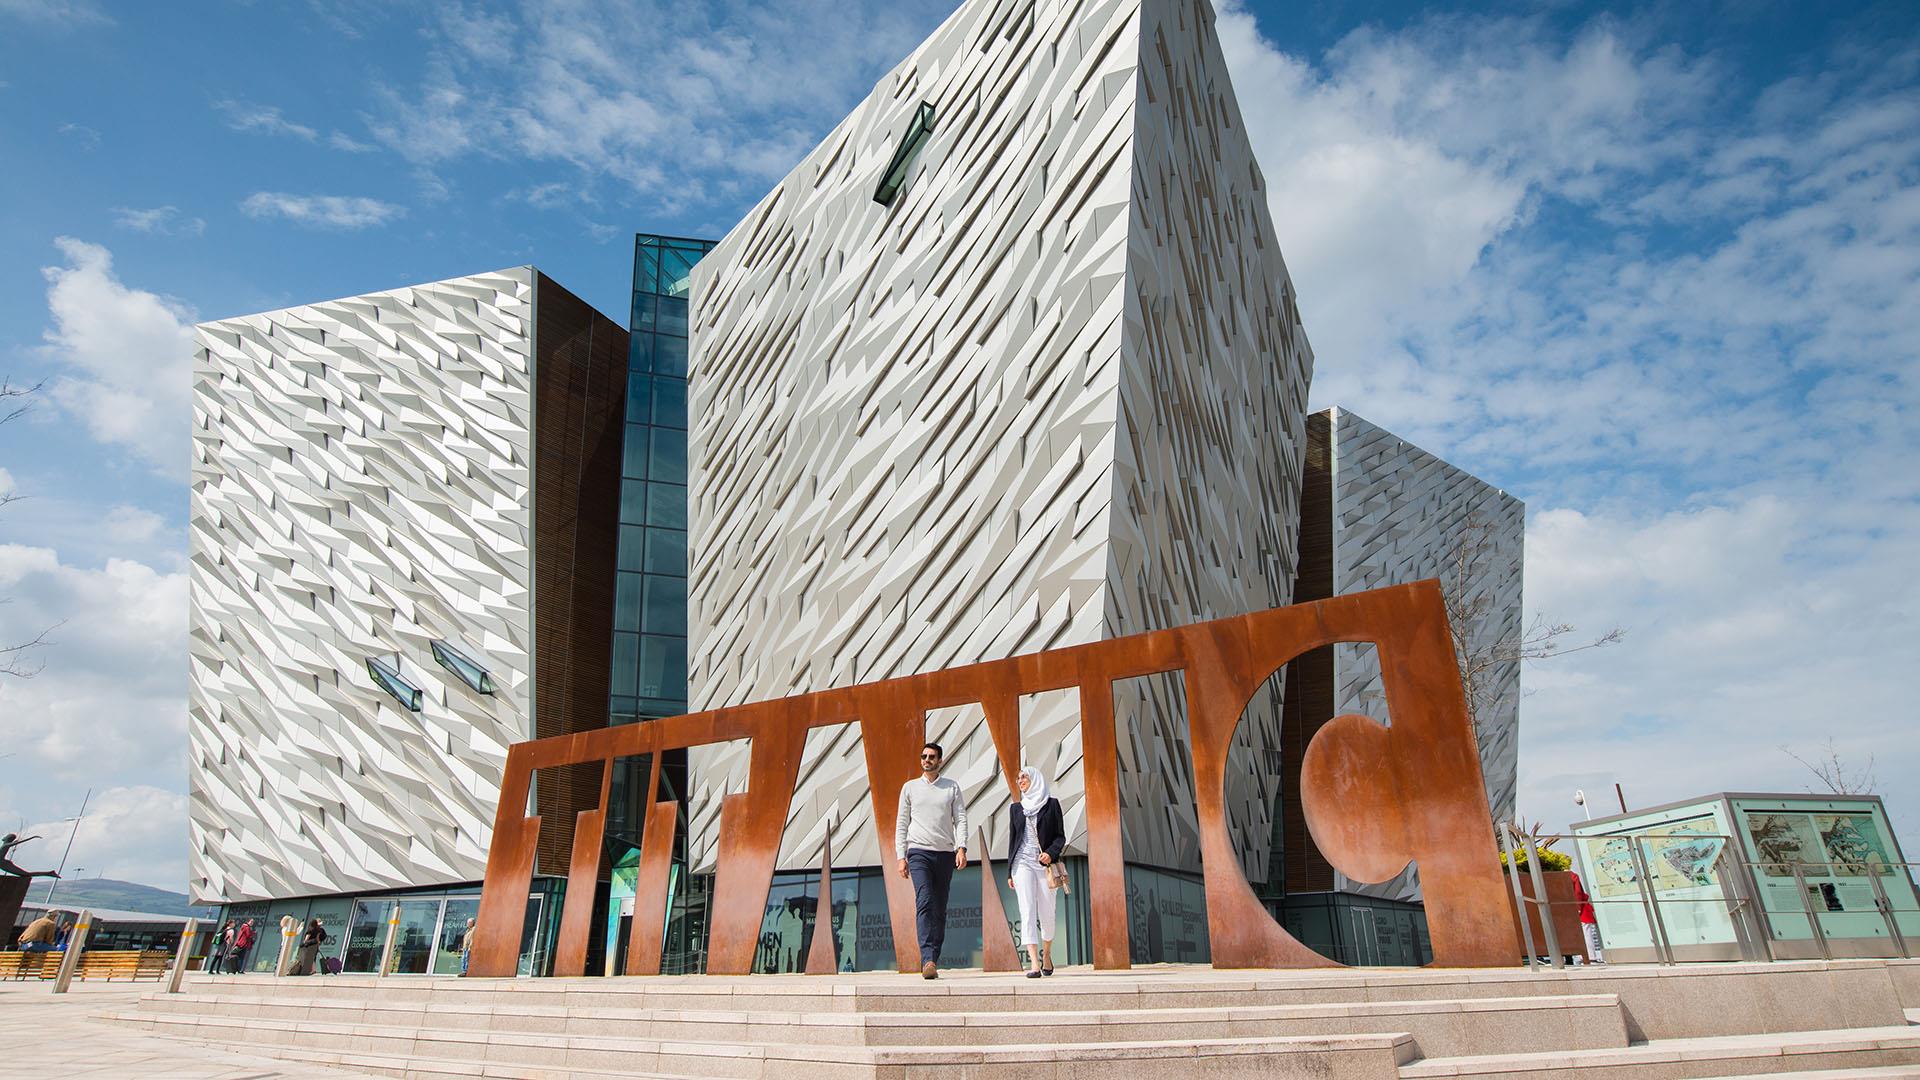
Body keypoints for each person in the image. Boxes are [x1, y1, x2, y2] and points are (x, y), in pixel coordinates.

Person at [895, 740, 967, 979]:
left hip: (945, 853)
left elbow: (961, 818)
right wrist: (900, 856)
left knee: (939, 908)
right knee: (924, 900)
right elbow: (901, 824)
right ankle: (926, 959)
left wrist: (961, 847)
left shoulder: (951, 788)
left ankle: (933, 958)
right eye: (924, 756)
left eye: (932, 757)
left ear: (940, 761)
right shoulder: (910, 788)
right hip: (919, 853)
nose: (927, 760)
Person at [1005, 765, 1064, 977]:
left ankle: (1046, 953)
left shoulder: (1052, 805)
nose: (1020, 781)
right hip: (1022, 864)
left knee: (1047, 912)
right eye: (1019, 777)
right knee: (1026, 910)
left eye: (1025, 777)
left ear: (1035, 779)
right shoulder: (1015, 809)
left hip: (1045, 866)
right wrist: (1010, 871)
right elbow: (1013, 841)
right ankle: (1034, 964)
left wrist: (1050, 852)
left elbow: (1060, 836)